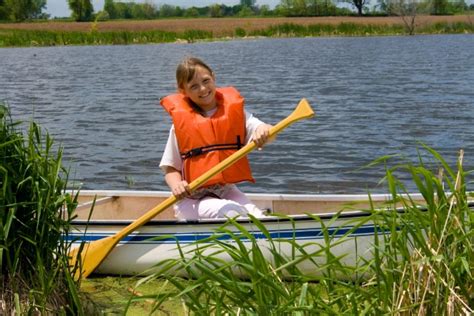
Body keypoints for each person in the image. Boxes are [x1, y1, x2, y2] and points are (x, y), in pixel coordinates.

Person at [159, 56, 273, 220]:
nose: (203, 89)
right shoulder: (180, 126)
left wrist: (263, 130)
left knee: (258, 218)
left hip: (225, 190)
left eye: (206, 81)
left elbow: (260, 128)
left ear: (213, 76)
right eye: (194, 86)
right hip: (191, 200)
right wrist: (177, 185)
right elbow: (170, 169)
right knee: (231, 212)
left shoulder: (234, 113)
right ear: (183, 91)